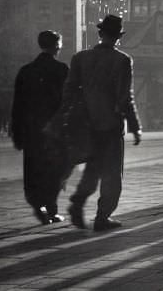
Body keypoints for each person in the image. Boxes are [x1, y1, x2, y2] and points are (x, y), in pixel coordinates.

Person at [65, 15, 142, 231]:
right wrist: (135, 127)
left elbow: (69, 91)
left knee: (93, 168)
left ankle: (78, 201)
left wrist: (66, 117)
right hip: (111, 124)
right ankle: (102, 216)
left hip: (87, 124)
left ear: (100, 34)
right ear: (118, 36)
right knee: (112, 174)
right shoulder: (123, 60)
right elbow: (125, 97)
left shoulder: (80, 58)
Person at [11, 31, 70, 224]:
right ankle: (51, 209)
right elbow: (67, 102)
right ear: (57, 46)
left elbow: (18, 104)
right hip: (54, 130)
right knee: (56, 170)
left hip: (31, 130)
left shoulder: (26, 71)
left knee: (33, 169)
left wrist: (17, 133)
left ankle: (38, 205)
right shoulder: (62, 69)